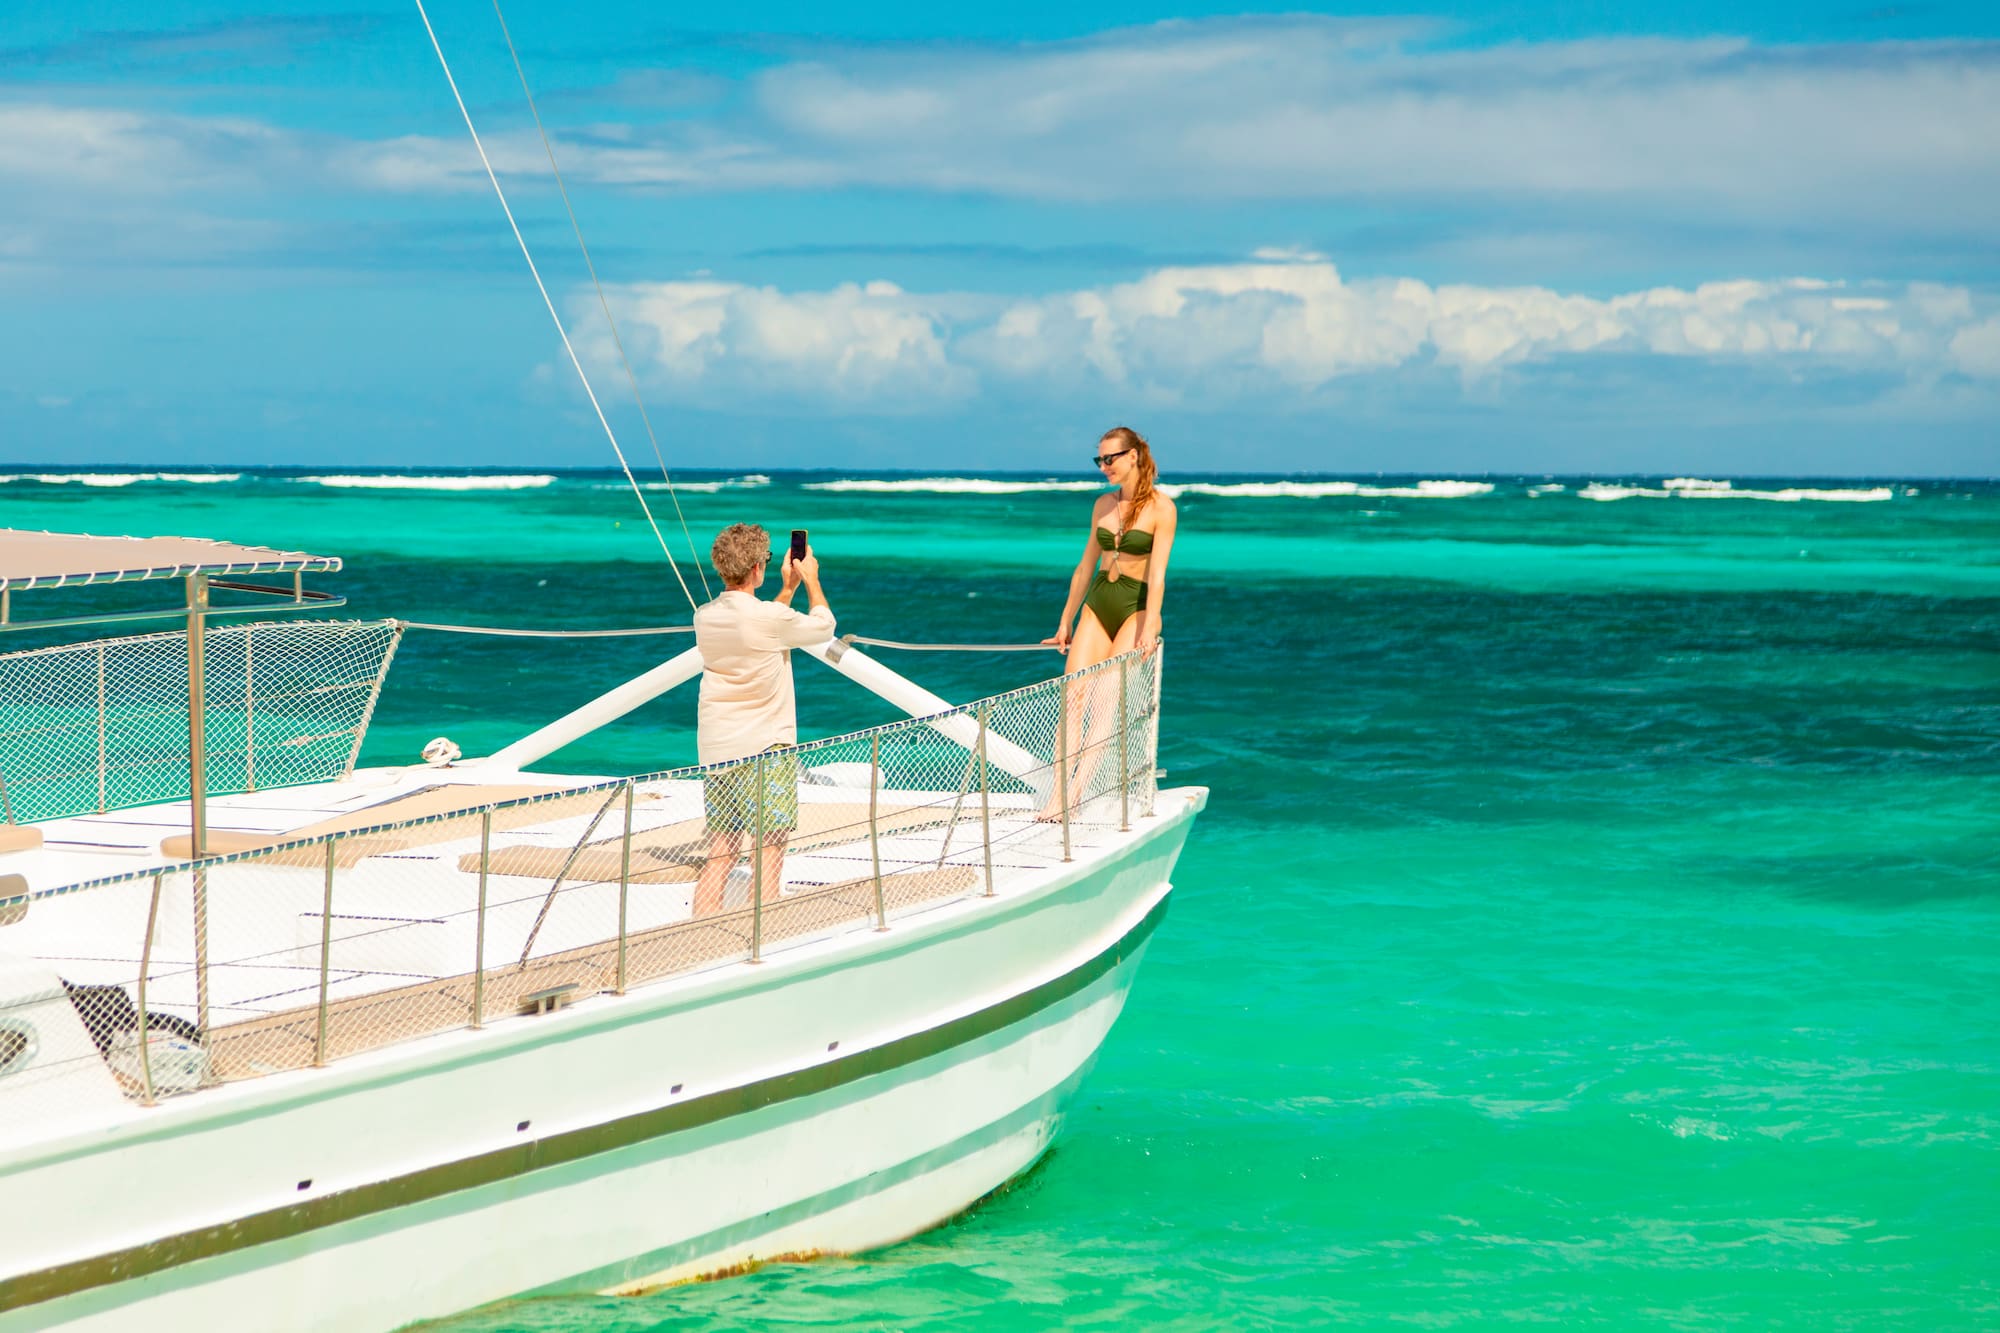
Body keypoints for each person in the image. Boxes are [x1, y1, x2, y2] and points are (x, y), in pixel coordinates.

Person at [691, 523, 834, 915]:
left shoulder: (704, 616)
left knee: (722, 849)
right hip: (765, 748)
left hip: (718, 747)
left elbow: (763, 624)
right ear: (757, 568)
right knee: (769, 848)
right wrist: (810, 580)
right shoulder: (768, 618)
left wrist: (786, 589)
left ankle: (701, 927)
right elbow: (823, 625)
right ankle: (765, 930)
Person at [1039, 427, 1178, 817]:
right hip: (1099, 603)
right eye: (1099, 460)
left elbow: (1159, 575)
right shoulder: (1102, 504)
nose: (1104, 466)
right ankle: (1057, 794)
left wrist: (1150, 626)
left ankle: (1076, 794)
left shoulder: (1162, 508)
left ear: (1133, 456)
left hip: (1136, 607)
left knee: (1104, 702)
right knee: (1073, 698)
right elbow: (1085, 567)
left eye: (1110, 459)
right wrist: (1065, 620)